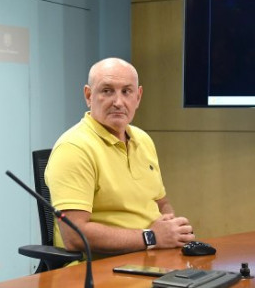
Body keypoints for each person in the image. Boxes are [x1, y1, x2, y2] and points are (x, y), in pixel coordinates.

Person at [44, 58, 194, 258]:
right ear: (89, 96)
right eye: (107, 91)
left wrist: (171, 230)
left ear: (138, 97)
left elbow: (161, 202)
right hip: (98, 267)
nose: (118, 102)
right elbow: (74, 235)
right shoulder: (74, 148)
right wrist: (151, 237)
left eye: (126, 91)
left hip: (149, 257)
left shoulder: (143, 139)